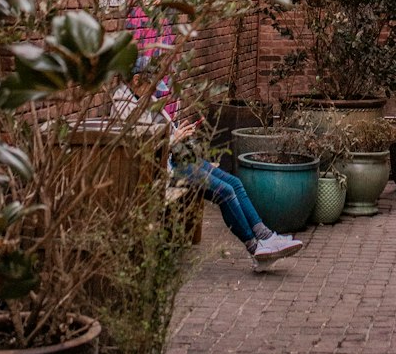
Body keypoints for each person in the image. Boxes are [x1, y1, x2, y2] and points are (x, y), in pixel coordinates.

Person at [110, 59, 302, 270]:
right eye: (152, 84)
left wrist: (177, 133)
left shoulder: (143, 98)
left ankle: (266, 237)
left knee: (234, 182)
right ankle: (256, 248)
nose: (155, 91)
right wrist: (173, 139)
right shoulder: (124, 107)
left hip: (176, 157)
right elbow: (141, 148)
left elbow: (160, 134)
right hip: (160, 170)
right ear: (136, 80)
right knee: (224, 191)